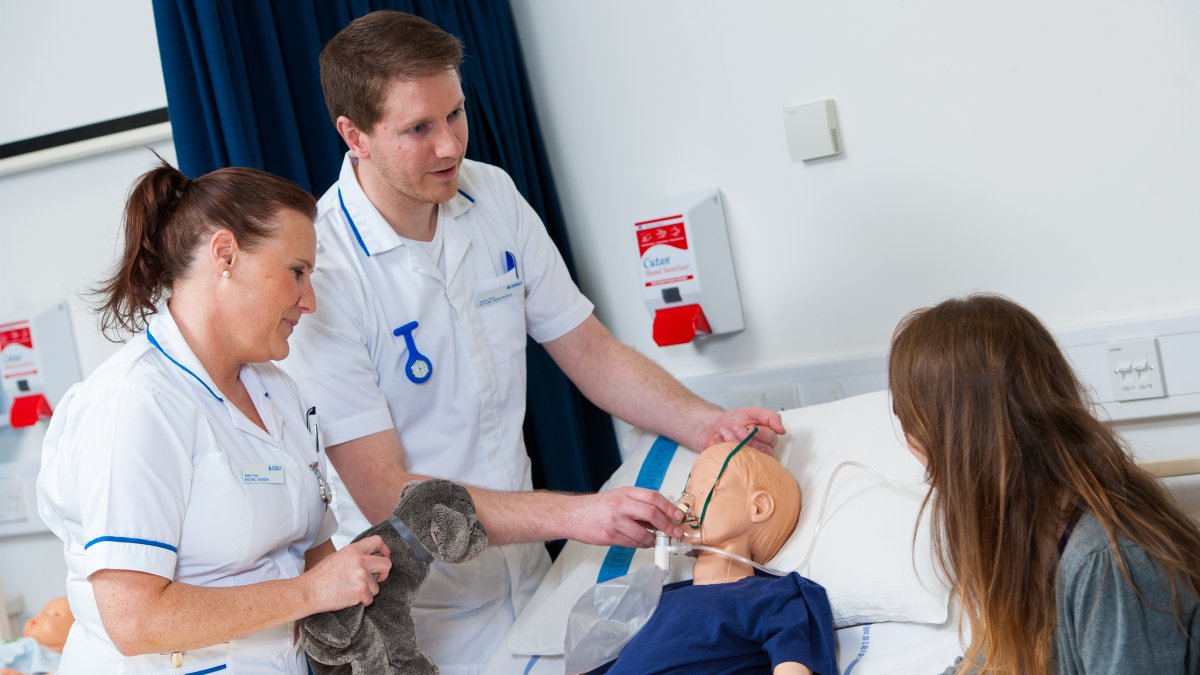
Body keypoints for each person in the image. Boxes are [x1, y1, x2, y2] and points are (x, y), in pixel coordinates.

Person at [281, 10, 787, 672]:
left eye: (456, 114)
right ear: (355, 135)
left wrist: (708, 422)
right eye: (419, 129)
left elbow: (592, 353)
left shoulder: (491, 195)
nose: (450, 147)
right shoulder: (326, 271)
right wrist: (577, 516)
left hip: (530, 578)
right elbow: (388, 494)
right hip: (420, 616)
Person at [35, 160, 395, 674]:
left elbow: (317, 557)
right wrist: (309, 592)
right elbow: (134, 621)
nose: (309, 301)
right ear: (224, 255)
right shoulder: (136, 402)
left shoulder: (279, 393)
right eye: (297, 271)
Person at [887, 294, 1200, 674]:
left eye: (909, 418)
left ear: (959, 439)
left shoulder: (1108, 562)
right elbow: (991, 663)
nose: (908, 441)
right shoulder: (1023, 541)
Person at [593, 439, 837, 674]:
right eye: (686, 491)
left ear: (759, 508)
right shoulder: (654, 599)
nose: (684, 503)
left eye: (706, 488)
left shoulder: (779, 595)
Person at [0, 596, 73, 675]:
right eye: (42, 612)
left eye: (56, 614)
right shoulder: (22, 642)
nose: (40, 616)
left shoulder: (55, 658)